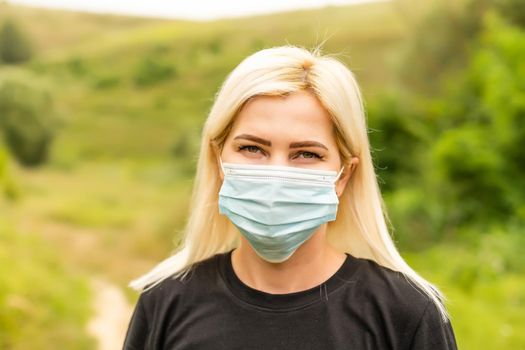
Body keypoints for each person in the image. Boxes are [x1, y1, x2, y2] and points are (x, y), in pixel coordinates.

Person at [123, 45, 458, 349]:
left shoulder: (407, 314)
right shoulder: (165, 303)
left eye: (306, 154)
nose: (276, 175)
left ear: (344, 175)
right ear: (219, 160)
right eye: (252, 148)